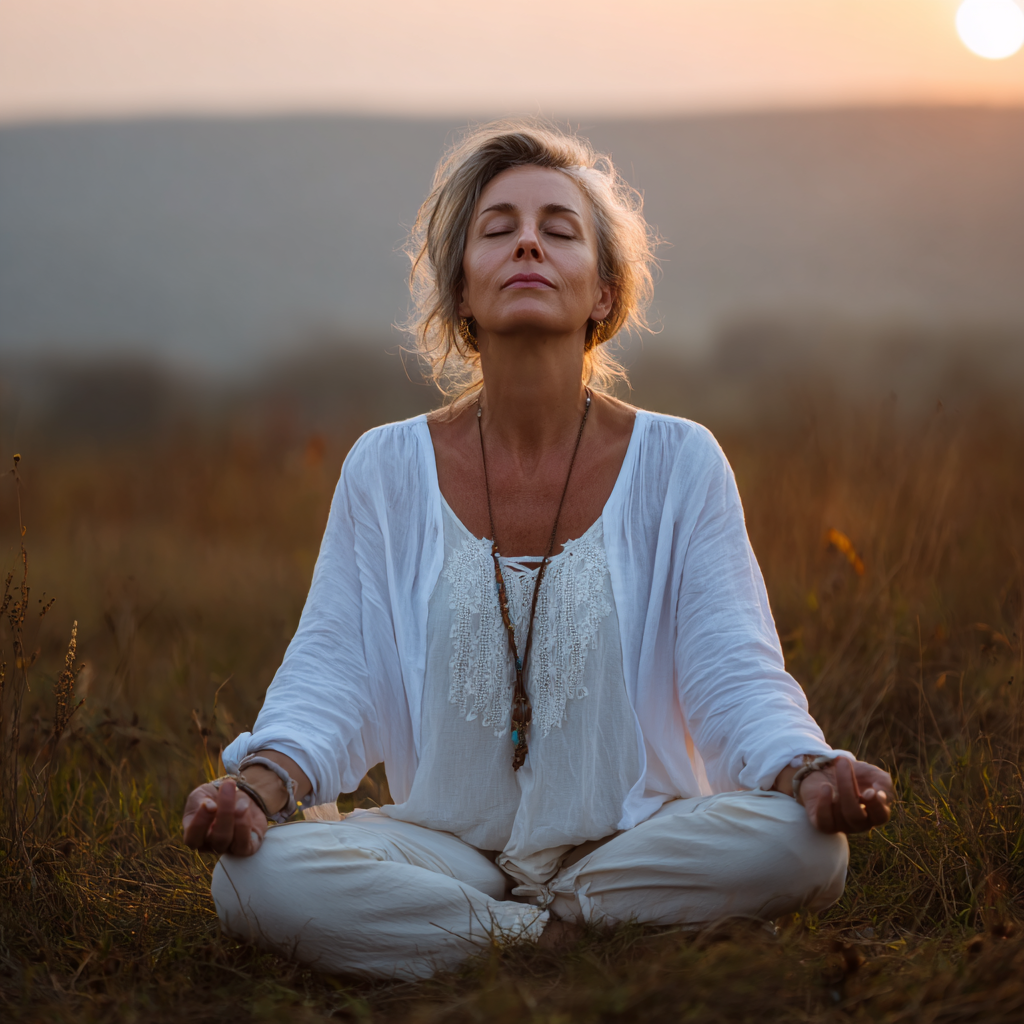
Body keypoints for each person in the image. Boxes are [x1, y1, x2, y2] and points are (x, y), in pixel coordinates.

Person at [182, 120, 892, 980]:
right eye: (498, 229)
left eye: (559, 230)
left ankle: (495, 932)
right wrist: (257, 787)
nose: (527, 241)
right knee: (252, 881)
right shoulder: (385, 467)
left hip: (634, 839)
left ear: (602, 292)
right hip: (443, 846)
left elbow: (733, 672)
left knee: (806, 850)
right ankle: (555, 941)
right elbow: (336, 670)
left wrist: (807, 769)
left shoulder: (681, 461)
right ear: (463, 292)